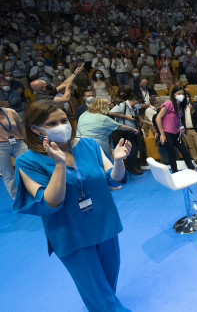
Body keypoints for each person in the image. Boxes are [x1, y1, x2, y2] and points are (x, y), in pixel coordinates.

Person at [13, 100, 131, 311]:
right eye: (52, 123)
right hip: (72, 234)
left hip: (104, 225)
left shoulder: (89, 145)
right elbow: (51, 201)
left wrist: (119, 162)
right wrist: (59, 164)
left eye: (63, 120)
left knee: (107, 286)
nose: (61, 125)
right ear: (35, 129)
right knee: (98, 293)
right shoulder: (27, 161)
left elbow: (113, 180)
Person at [155, 86, 196, 172]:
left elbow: (178, 120)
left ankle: (192, 169)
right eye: (179, 94)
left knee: (185, 151)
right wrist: (162, 134)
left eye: (182, 94)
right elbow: (158, 118)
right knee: (172, 154)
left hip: (176, 133)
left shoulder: (181, 107)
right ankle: (175, 172)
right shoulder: (168, 103)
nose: (181, 95)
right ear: (174, 95)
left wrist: (181, 130)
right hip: (166, 133)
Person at [109, 92, 143, 175]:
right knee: (131, 150)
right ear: (134, 100)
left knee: (133, 150)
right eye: (139, 102)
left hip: (132, 131)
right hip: (123, 132)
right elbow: (110, 113)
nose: (140, 104)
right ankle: (132, 168)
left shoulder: (134, 108)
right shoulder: (122, 105)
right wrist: (125, 116)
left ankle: (130, 166)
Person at [0, 107, 28, 199]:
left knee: (31, 165)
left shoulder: (11, 112)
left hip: (18, 143)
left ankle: (36, 192)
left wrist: (27, 142)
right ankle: (17, 199)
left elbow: (21, 128)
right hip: (1, 147)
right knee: (8, 174)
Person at [182, 93, 197, 165]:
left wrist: (192, 110)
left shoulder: (195, 105)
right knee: (191, 146)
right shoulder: (181, 107)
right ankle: (195, 160)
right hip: (187, 130)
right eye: (184, 97)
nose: (186, 98)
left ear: (189, 97)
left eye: (187, 96)